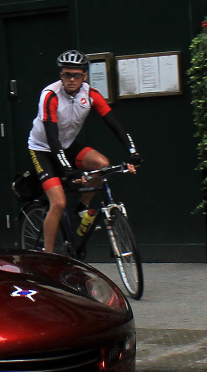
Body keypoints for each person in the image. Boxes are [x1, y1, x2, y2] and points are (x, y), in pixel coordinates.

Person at [27, 50, 141, 253]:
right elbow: (52, 137)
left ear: (84, 76)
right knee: (59, 202)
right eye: (66, 74)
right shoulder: (50, 95)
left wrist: (132, 151)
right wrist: (66, 169)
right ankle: (49, 255)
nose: (71, 79)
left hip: (68, 145)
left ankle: (81, 208)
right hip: (43, 149)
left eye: (76, 75)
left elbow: (114, 124)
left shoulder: (90, 95)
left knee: (102, 165)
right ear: (61, 75)